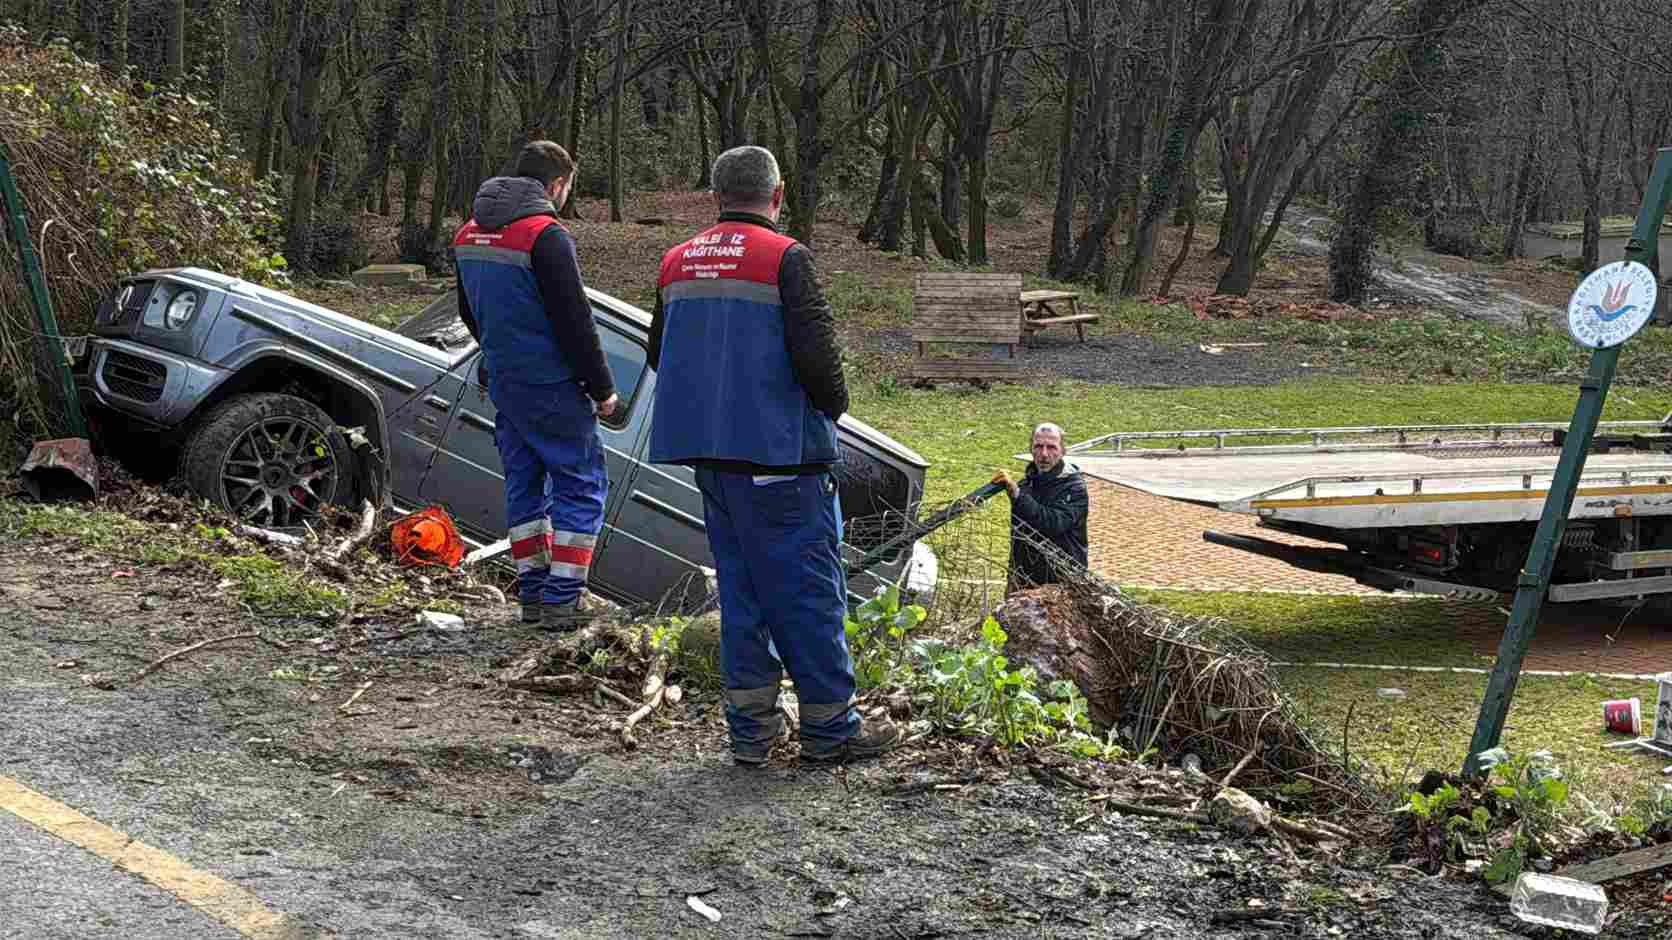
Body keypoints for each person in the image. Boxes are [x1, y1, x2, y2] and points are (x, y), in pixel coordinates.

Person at [646, 145, 899, 765]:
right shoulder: (786, 258)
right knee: (810, 594)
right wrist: (828, 409)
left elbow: (660, 353)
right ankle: (830, 730)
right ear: (778, 195)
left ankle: (751, 735)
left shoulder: (678, 262)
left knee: (742, 594)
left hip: (713, 461)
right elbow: (819, 361)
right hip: (783, 460)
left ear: (716, 196)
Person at [453, 141, 618, 631]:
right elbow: (575, 322)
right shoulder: (546, 236)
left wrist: (503, 355)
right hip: (553, 385)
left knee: (524, 486)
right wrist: (602, 388)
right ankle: (563, 600)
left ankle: (532, 594)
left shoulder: (468, 234)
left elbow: (469, 313)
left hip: (505, 382)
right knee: (582, 484)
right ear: (556, 185)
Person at [991, 423, 1090, 591]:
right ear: (1031, 449)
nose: (1044, 454)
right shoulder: (1026, 484)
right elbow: (1019, 536)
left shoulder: (1074, 488)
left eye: (1051, 447)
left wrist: (1018, 495)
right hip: (1024, 580)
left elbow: (1052, 523)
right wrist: (1013, 576)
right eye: (1038, 446)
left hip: (1062, 582)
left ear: (1063, 451)